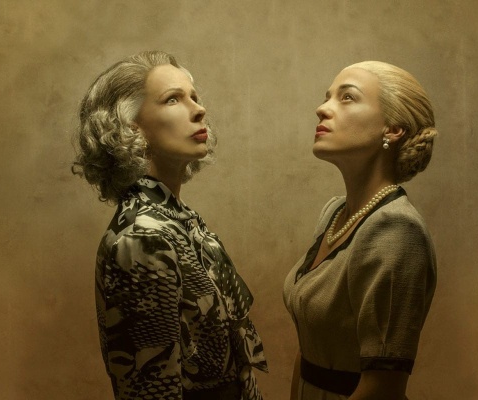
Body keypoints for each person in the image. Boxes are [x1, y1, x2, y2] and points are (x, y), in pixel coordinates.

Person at [72, 50, 267, 400]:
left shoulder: (178, 220)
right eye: (173, 99)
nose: (199, 109)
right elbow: (152, 388)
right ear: (130, 126)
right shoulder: (143, 237)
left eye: (194, 96)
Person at [283, 61, 438, 400]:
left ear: (393, 129)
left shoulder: (396, 229)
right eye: (327, 96)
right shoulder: (334, 213)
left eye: (347, 97)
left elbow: (382, 389)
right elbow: (309, 349)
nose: (322, 108)